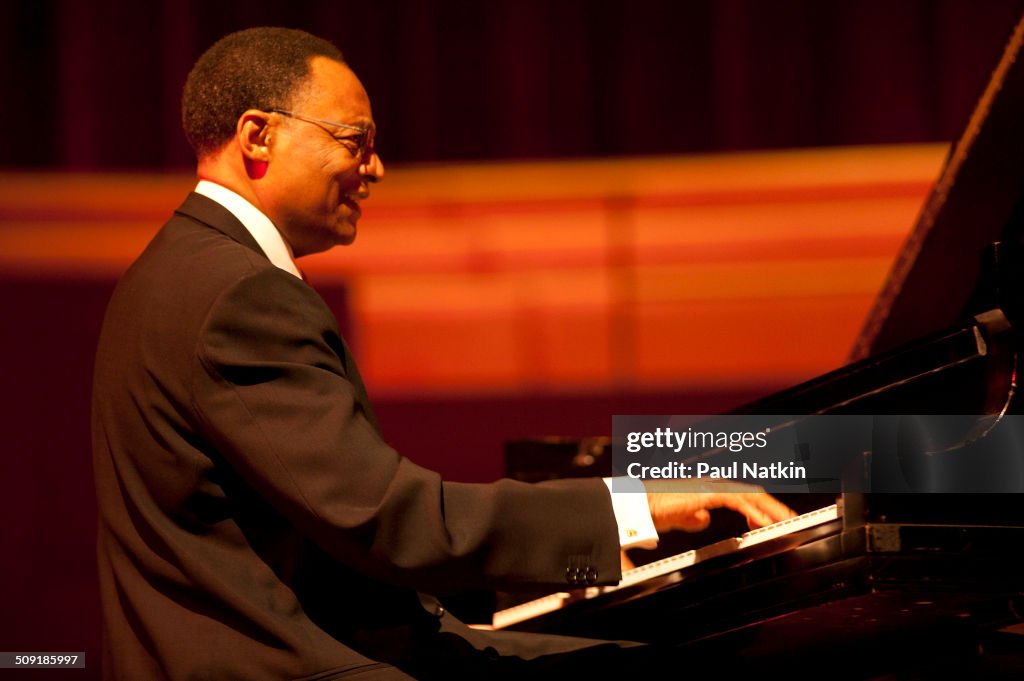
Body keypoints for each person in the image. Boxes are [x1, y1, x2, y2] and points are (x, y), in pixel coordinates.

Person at [92, 27, 793, 680]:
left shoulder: (175, 272)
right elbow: (388, 520)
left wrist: (536, 561)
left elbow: (320, 536)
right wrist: (632, 503)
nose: (377, 167)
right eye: (355, 139)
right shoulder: (240, 295)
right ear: (259, 136)